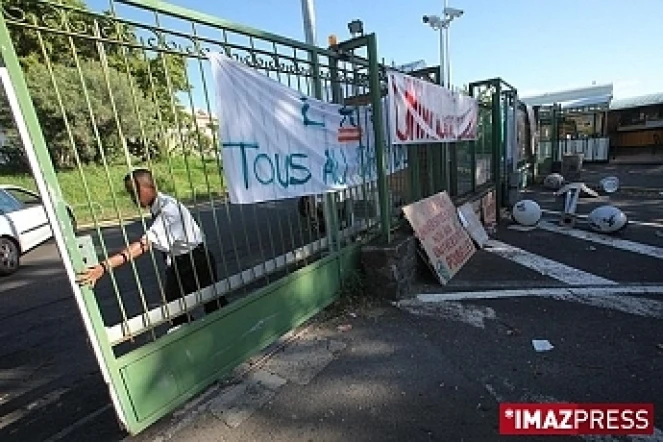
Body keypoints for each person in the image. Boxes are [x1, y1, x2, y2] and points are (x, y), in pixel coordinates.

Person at [77, 168, 227, 331]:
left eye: (134, 191)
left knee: (213, 304)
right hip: (180, 261)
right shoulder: (159, 205)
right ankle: (192, 338)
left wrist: (104, 267)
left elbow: (144, 245)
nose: (132, 198)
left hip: (196, 261)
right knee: (175, 309)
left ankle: (225, 333)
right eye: (129, 193)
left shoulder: (169, 210)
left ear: (149, 187)